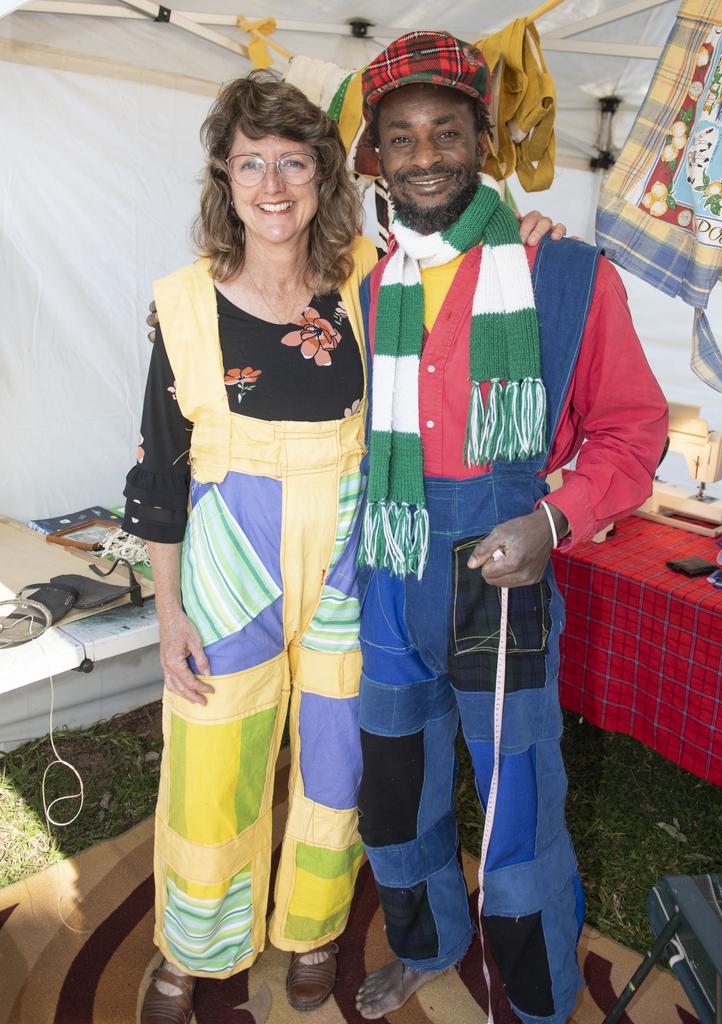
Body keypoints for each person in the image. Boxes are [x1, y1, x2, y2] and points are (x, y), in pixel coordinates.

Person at [125, 70, 563, 1024]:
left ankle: (312, 929)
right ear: (224, 178)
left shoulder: (368, 283)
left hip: (349, 560)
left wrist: (523, 236)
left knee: (337, 763)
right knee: (210, 768)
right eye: (250, 164)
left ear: (324, 175)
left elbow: (458, 263)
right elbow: (159, 474)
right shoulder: (182, 305)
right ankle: (190, 951)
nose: (272, 186)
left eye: (292, 162)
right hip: (226, 564)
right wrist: (166, 612)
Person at [351, 31, 669, 1024]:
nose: (426, 153)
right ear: (378, 157)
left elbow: (635, 430)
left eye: (447, 130)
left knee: (519, 811)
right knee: (397, 791)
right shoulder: (375, 282)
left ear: (484, 138)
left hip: (502, 572)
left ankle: (533, 1000)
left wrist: (555, 517)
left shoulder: (566, 274)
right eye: (401, 137)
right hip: (394, 571)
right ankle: (428, 940)